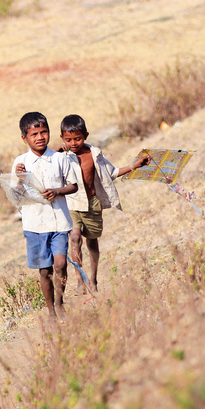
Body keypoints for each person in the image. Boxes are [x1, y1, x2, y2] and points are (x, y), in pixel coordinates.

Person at [60, 113, 149, 292]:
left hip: (92, 203)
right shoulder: (60, 157)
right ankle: (80, 279)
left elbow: (112, 172)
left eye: (77, 138)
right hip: (71, 204)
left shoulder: (94, 154)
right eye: (68, 139)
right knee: (75, 237)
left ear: (86, 135)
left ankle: (93, 279)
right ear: (62, 138)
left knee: (92, 242)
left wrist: (135, 166)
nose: (73, 143)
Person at [12, 111, 78, 319]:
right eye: (34, 134)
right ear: (25, 138)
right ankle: (50, 311)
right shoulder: (20, 163)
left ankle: (60, 303)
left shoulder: (59, 158)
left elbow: (73, 185)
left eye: (44, 132)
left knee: (60, 263)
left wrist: (57, 191)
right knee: (44, 270)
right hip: (35, 224)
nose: (40, 137)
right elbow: (16, 195)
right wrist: (20, 179)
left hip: (59, 220)